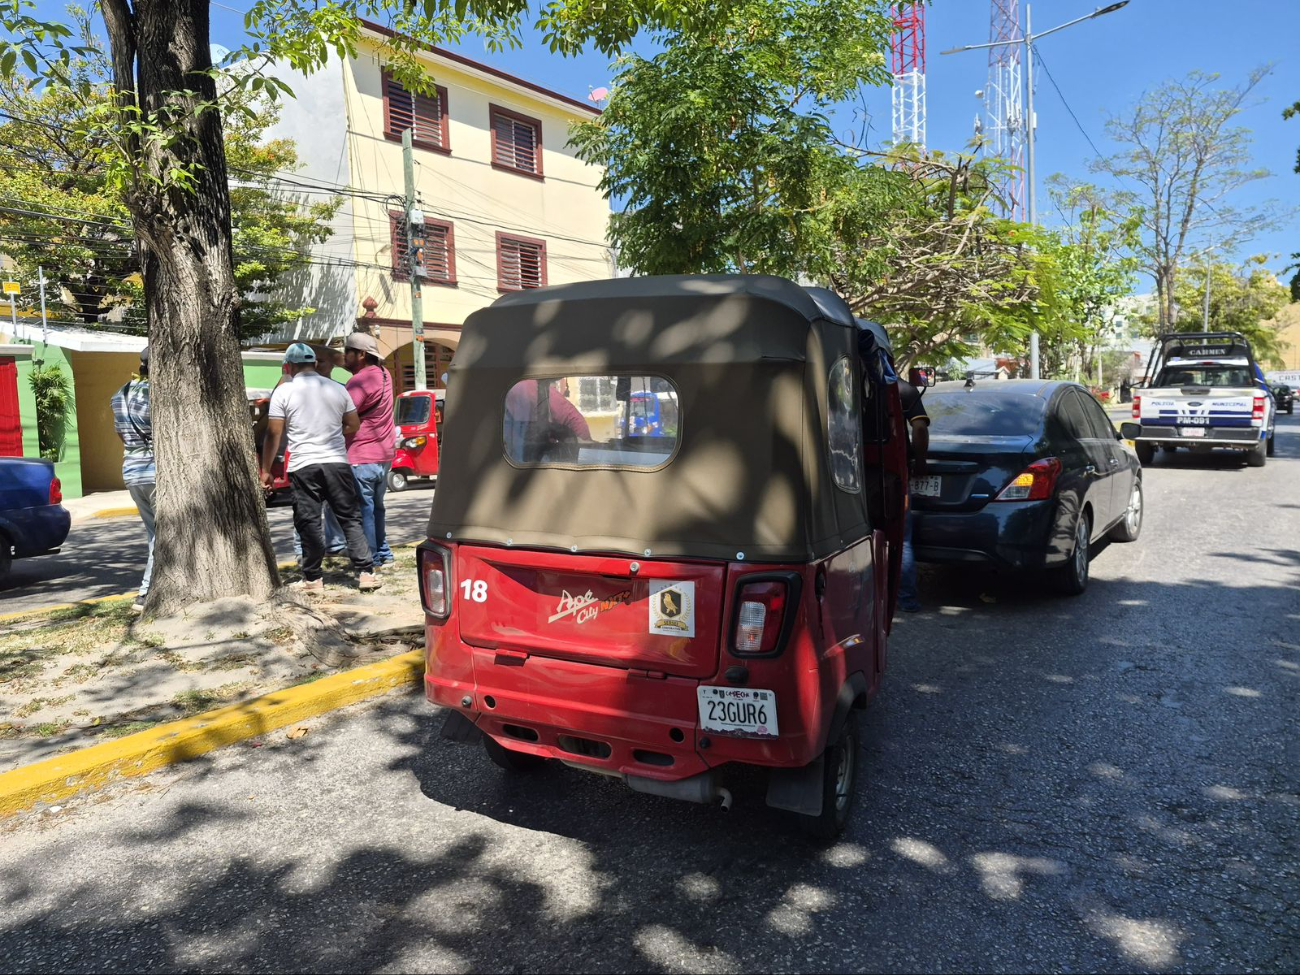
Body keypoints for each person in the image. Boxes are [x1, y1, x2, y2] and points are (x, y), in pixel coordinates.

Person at [260, 343, 381, 592]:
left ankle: (313, 579)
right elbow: (353, 424)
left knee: (309, 521)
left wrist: (266, 469)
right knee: (349, 518)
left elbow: (273, 434)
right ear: (314, 363)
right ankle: (366, 573)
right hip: (337, 462)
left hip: (304, 465)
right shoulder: (337, 389)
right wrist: (333, 432)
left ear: (288, 366)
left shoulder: (284, 392)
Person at [342, 332, 396, 569]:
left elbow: (344, 413)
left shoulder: (358, 382)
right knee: (377, 507)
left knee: (364, 509)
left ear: (361, 355)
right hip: (384, 454)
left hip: (361, 454)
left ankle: (370, 557)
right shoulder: (386, 375)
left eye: (348, 353)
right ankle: (384, 552)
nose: (344, 357)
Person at [110, 346, 155, 612]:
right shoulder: (156, 393)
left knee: (154, 533)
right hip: (155, 469)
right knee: (162, 535)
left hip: (131, 470)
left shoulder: (120, 394)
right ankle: (145, 592)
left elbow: (121, 436)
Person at [897, 371, 930, 613]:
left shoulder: (852, 384)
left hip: (856, 474)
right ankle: (906, 600)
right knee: (903, 539)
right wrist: (920, 461)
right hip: (894, 472)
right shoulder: (904, 389)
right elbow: (919, 429)